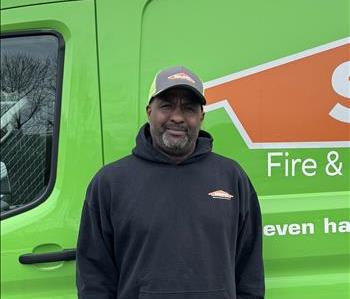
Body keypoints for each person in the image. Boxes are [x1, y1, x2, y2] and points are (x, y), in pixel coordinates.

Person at [76, 66, 265, 299]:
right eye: (166, 105)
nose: (177, 117)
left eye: (189, 108)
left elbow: (250, 273)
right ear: (149, 111)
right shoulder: (110, 183)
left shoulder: (232, 177)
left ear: (201, 117)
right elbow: (94, 279)